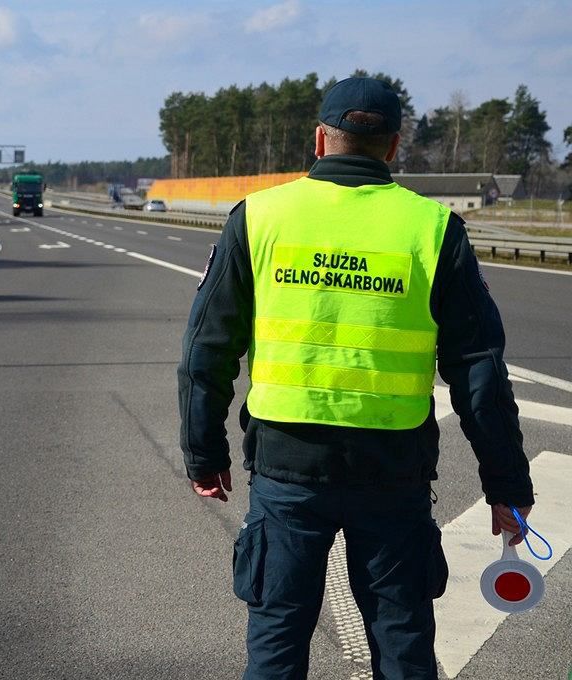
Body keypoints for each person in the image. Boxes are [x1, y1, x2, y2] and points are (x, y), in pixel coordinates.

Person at [177, 78, 535, 680]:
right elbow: (479, 370)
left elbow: (205, 350)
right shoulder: (433, 229)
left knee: (277, 642)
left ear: (321, 139)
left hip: (287, 470)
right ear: (393, 147)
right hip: (392, 472)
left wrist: (203, 452)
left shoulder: (259, 217)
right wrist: (505, 483)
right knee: (402, 647)